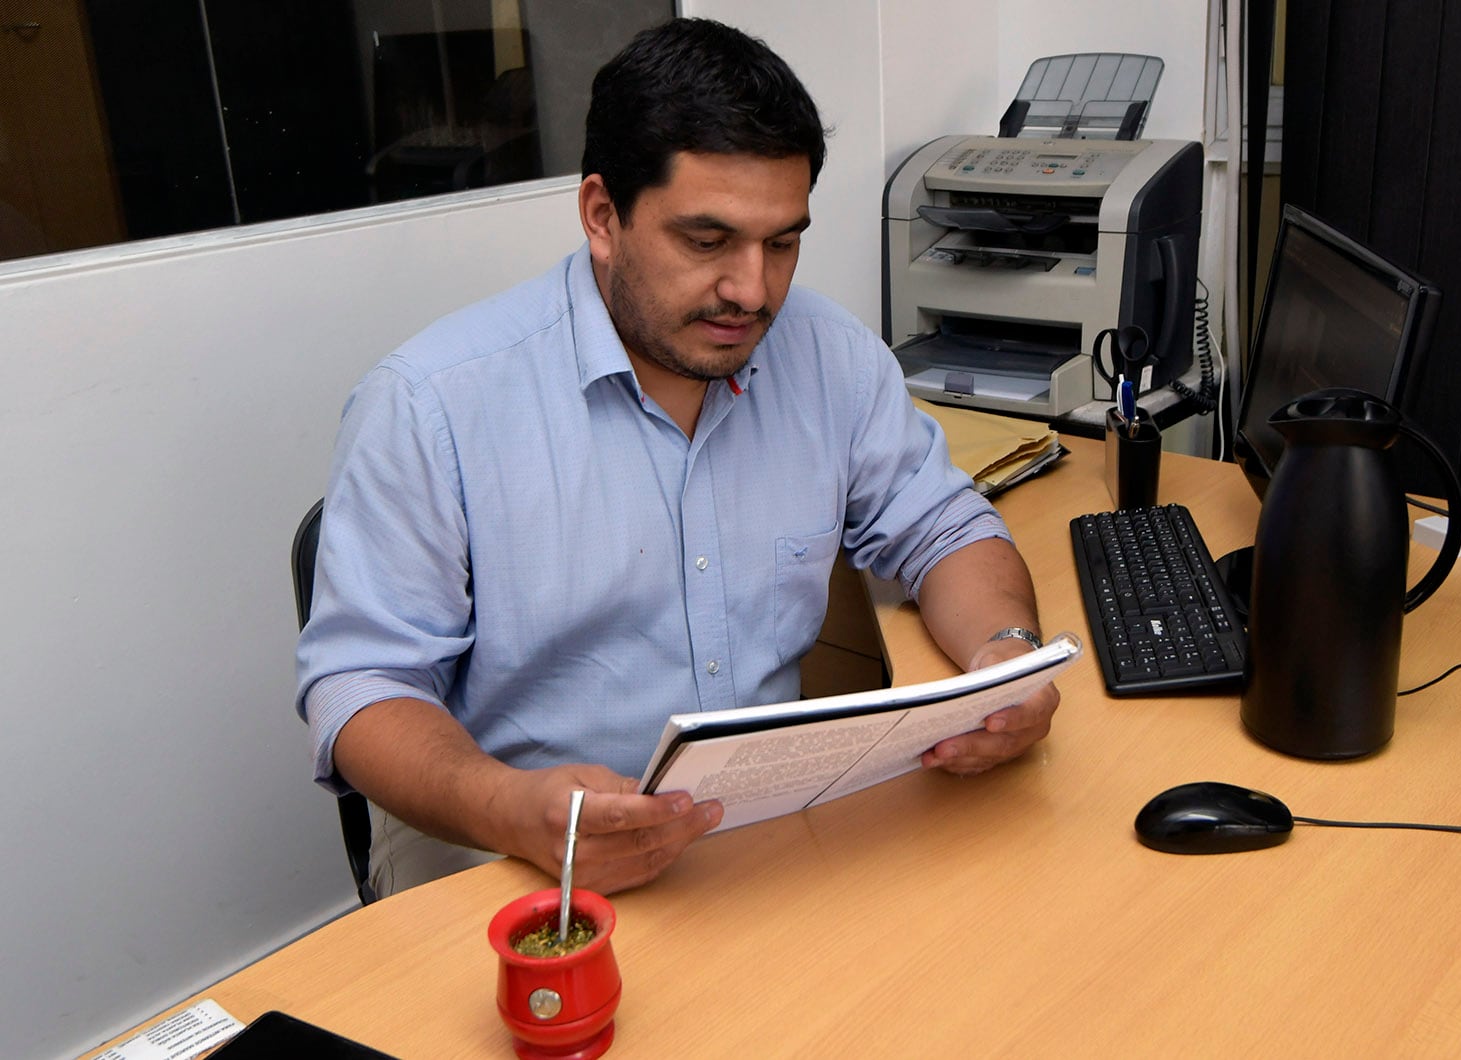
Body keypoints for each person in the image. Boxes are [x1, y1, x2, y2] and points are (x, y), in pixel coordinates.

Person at [296, 16, 1057, 899]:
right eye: (706, 242)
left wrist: (1007, 657)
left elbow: (941, 526)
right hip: (502, 858)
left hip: (748, 837)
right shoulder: (432, 404)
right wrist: (508, 808)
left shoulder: (829, 355)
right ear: (602, 216)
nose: (752, 289)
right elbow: (360, 686)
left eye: (781, 242)